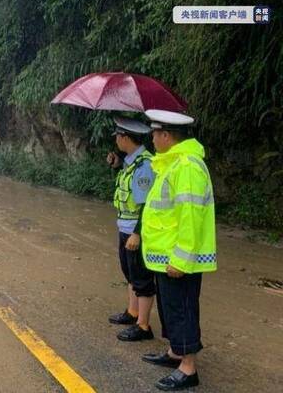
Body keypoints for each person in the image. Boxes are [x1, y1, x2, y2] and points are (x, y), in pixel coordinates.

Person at [140, 109, 217, 391]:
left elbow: (191, 216)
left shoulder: (186, 166)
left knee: (182, 309)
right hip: (165, 257)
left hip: (177, 258)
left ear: (166, 135)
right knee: (171, 308)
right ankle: (175, 352)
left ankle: (188, 368)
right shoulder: (171, 164)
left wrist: (181, 259)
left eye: (154, 134)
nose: (152, 139)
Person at [106, 117, 157, 342]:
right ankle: (132, 312)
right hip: (125, 227)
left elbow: (147, 204)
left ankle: (143, 326)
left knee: (142, 278)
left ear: (125, 138)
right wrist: (115, 165)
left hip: (137, 231)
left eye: (118, 136)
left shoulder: (145, 165)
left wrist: (137, 233)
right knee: (130, 272)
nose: (116, 140)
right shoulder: (130, 162)